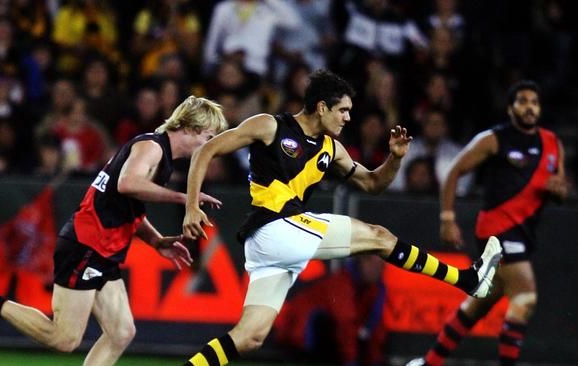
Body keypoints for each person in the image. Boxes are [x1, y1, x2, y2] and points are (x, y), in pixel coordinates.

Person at [180, 69, 502, 366]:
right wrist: (191, 206)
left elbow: (373, 183)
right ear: (322, 107)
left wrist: (394, 159)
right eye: (343, 110)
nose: (348, 118)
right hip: (275, 227)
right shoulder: (270, 125)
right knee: (379, 237)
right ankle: (466, 280)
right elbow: (204, 151)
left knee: (250, 336)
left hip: (274, 244)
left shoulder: (331, 149)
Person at [0, 96, 228, 366]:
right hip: (86, 245)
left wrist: (155, 241)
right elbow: (126, 184)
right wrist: (185, 197)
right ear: (191, 128)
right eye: (209, 137)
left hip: (104, 250)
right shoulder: (152, 147)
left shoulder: (160, 156)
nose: (210, 145)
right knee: (64, 338)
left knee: (121, 332)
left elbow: (127, 206)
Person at [406, 80, 568, 366]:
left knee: (478, 305)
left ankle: (429, 362)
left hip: (524, 232)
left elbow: (561, 190)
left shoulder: (553, 144)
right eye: (523, 101)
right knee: (525, 296)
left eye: (534, 102)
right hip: (496, 231)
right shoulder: (494, 139)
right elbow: (454, 171)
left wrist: (560, 191)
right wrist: (447, 217)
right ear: (510, 107)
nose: (529, 107)